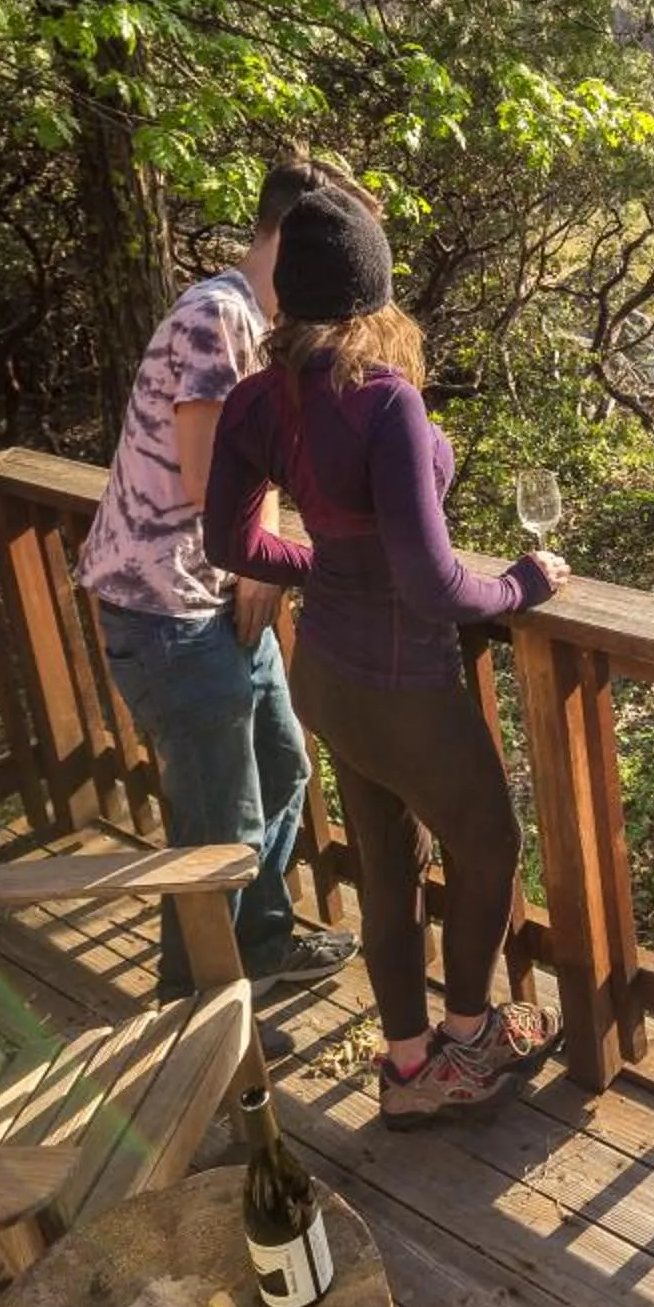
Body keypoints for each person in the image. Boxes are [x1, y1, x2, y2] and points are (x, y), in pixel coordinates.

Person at [201, 186, 569, 1127]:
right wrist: (523, 583)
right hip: (405, 683)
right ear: (375, 293)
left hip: (327, 674)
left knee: (387, 866)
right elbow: (438, 587)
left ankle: (406, 1066)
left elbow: (234, 545)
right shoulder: (385, 401)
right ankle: (471, 1036)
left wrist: (318, 562)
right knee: (490, 846)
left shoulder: (259, 398)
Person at [76, 162, 361, 1012]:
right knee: (217, 832)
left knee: (282, 773)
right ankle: (197, 1010)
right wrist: (271, 563)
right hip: (166, 614)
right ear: (295, 236)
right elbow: (212, 482)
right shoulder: (214, 319)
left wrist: (263, 569)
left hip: (219, 602)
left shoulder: (253, 322)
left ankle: (261, 948)